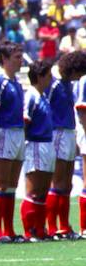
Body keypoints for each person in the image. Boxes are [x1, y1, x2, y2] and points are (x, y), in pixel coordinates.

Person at [0, 41, 25, 243]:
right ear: (5, 59)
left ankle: (9, 230)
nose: (21, 60)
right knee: (0, 184)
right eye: (17, 57)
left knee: (12, 184)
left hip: (18, 133)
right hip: (4, 133)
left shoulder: (16, 82)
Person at [47, 51, 86, 238]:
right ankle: (53, 226)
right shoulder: (53, 83)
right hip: (57, 132)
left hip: (69, 132)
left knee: (67, 184)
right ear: (73, 70)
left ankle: (64, 225)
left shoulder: (67, 84)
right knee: (58, 181)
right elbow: (43, 106)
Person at [21, 60, 55, 241]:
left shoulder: (43, 97)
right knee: (33, 191)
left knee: (43, 190)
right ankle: (29, 230)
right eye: (48, 75)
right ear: (40, 77)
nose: (51, 79)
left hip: (47, 145)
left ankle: (41, 229)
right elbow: (25, 121)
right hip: (35, 145)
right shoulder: (31, 96)